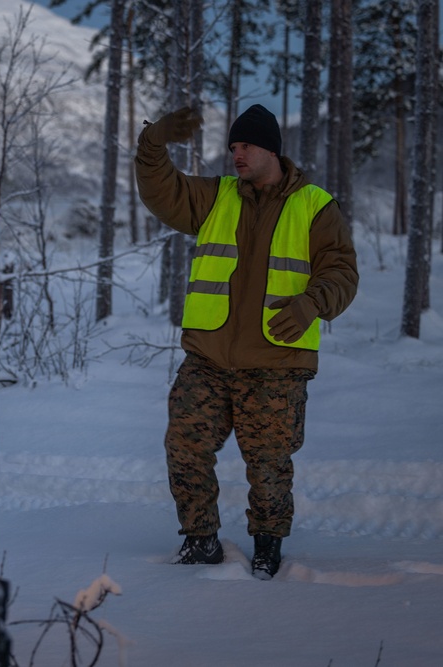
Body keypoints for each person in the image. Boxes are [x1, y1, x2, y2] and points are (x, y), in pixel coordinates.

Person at [134, 104, 359, 580]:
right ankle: (200, 540)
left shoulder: (315, 205)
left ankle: (267, 546)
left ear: (271, 149)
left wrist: (311, 303)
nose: (236, 154)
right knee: (184, 444)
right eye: (233, 146)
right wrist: (153, 143)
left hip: (277, 361)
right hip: (209, 357)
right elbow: (161, 190)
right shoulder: (216, 197)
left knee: (269, 463)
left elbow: (341, 271)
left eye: (246, 146)